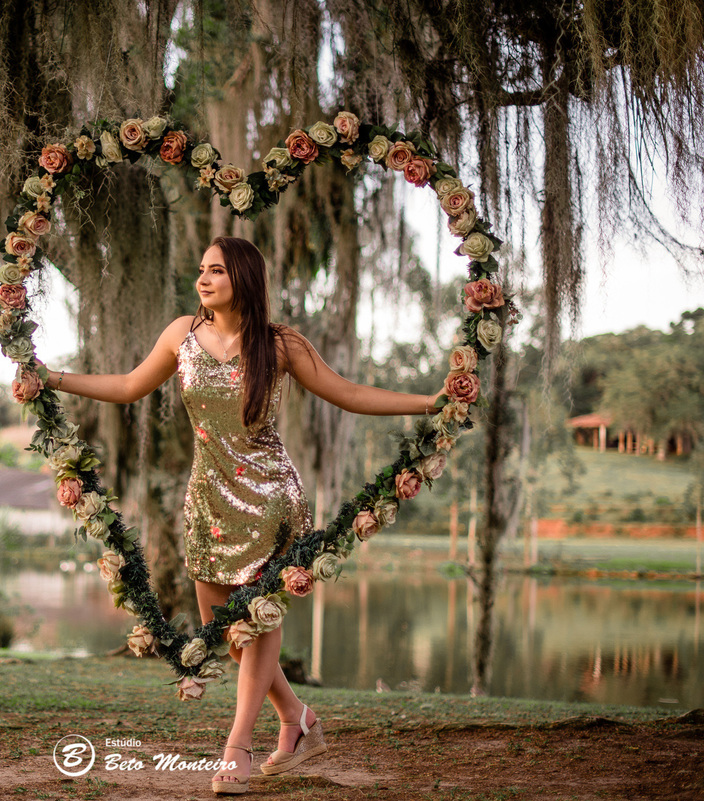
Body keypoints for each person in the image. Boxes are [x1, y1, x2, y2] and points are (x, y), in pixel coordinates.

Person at [39, 236, 443, 795]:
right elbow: (129, 386)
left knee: (259, 624)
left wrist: (430, 403)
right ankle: (300, 721)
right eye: (201, 270)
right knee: (231, 635)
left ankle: (237, 749)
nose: (203, 280)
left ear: (244, 279)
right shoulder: (182, 335)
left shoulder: (280, 345)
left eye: (217, 271)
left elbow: (347, 393)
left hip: (270, 498)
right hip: (207, 499)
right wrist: (51, 378)